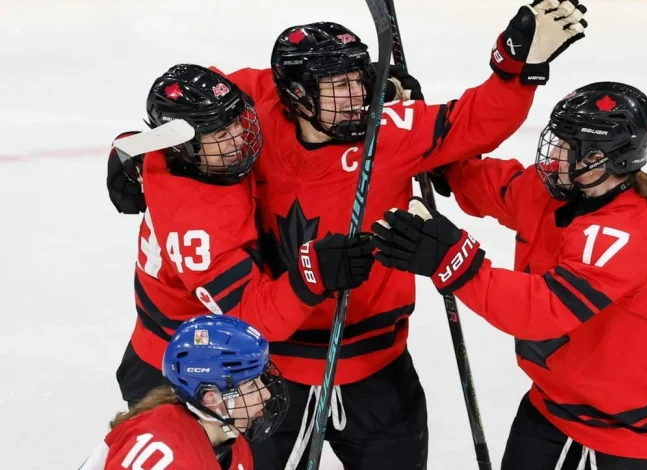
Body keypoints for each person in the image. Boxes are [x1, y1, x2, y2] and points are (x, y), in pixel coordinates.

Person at [106, 3, 590, 467]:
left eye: (360, 79)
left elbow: (477, 120)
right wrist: (136, 148)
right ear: (296, 95)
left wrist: (515, 67)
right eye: (339, 85)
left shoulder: (381, 128)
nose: (358, 95)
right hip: (272, 371)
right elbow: (188, 118)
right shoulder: (243, 143)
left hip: (376, 365)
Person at [371, 82, 647, 470]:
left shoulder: (626, 233)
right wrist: (432, 143)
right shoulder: (559, 192)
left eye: (568, 146)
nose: (553, 153)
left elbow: (543, 310)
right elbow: (491, 185)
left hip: (641, 430)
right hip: (557, 405)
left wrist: (453, 259)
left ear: (601, 158)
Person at [115, 63, 374, 409]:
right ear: (183, 145)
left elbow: (252, 84)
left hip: (202, 352)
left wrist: (337, 84)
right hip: (178, 371)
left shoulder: (192, 142)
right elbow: (254, 317)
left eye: (236, 121)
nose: (239, 137)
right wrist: (314, 273)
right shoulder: (195, 223)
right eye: (221, 134)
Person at [79, 315, 289, 470]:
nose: (266, 394)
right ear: (211, 398)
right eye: (251, 386)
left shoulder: (234, 446)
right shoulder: (164, 455)